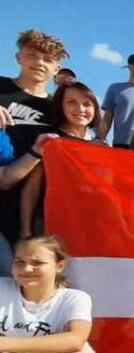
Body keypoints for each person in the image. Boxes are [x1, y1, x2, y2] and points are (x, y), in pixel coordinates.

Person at [0, 30, 69, 250]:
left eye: (48, 59)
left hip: (30, 207)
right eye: (31, 54)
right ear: (19, 57)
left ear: (56, 69)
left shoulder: (58, 109)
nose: (39, 63)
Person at [20, 82, 102, 239]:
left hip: (87, 227)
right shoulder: (49, 141)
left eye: (87, 104)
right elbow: (32, 189)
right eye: (72, 102)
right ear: (60, 106)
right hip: (49, 226)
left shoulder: (101, 146)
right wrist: (25, 230)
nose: (81, 109)